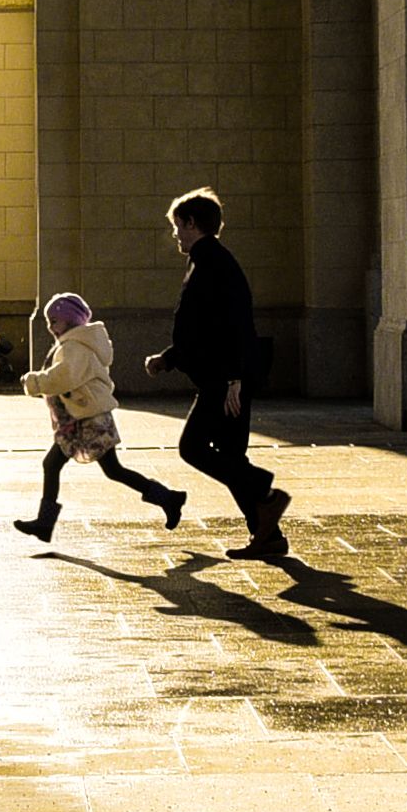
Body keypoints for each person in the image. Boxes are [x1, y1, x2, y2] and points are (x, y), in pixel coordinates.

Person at [143, 188, 291, 560]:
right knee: (230, 455)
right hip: (226, 376)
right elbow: (203, 327)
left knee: (192, 448)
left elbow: (235, 323)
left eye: (177, 226)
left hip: (225, 380)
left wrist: (235, 379)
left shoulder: (212, 262)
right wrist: (169, 358)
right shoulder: (205, 259)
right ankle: (267, 535)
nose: (175, 234)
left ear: (192, 223)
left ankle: (265, 493)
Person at [12, 293, 184, 540]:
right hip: (79, 419)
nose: (50, 327)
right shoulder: (76, 342)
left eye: (55, 321)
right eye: (49, 322)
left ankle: (169, 499)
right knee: (58, 465)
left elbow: (64, 376)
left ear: (70, 321)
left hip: (88, 419)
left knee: (111, 470)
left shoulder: (75, 346)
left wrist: (33, 381)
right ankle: (44, 523)